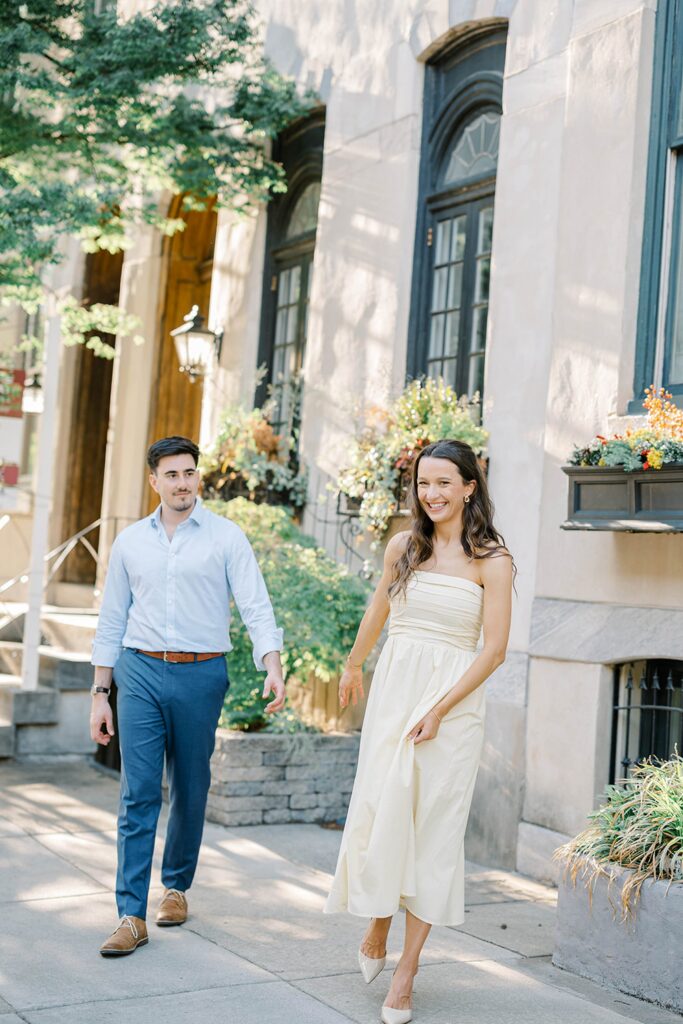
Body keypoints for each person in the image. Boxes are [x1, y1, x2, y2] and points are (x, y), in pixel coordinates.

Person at [325, 439, 513, 1024]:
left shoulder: (492, 560)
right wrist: (354, 664)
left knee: (433, 831)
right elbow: (378, 611)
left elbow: (496, 650)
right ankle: (377, 920)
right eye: (423, 484)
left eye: (443, 484)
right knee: (385, 814)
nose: (431, 495)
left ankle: (405, 973)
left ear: (468, 488)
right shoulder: (403, 546)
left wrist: (439, 709)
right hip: (394, 695)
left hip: (451, 708)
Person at [90, 435, 285, 957]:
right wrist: (100, 692)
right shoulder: (130, 542)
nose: (182, 483)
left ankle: (175, 886)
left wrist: (273, 664)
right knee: (139, 793)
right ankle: (130, 915)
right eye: (171, 474)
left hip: (202, 675)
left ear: (199, 477)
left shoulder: (226, 538)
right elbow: (111, 620)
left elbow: (255, 605)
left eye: (189, 473)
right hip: (141, 671)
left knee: (192, 785)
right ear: (153, 481)